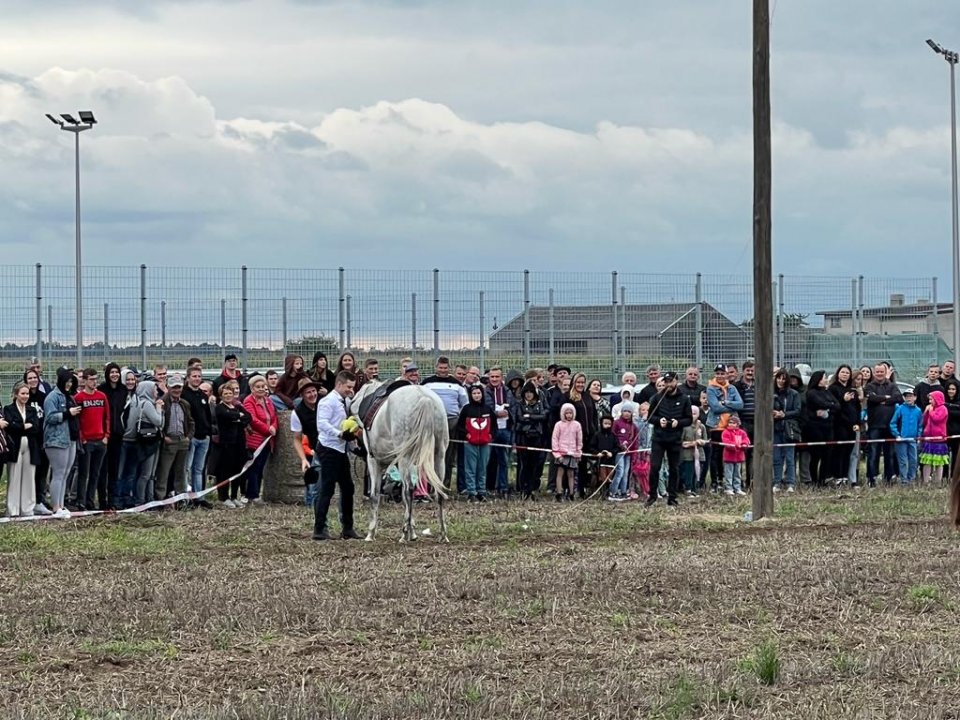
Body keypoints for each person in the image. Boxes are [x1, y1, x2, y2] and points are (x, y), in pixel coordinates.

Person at [312, 370, 362, 540]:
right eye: (348, 387)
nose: (351, 390)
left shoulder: (345, 401)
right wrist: (340, 434)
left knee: (348, 487)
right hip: (329, 449)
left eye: (352, 387)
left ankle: (347, 528)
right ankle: (319, 529)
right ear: (339, 384)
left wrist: (353, 443)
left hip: (340, 450)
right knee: (327, 489)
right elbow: (322, 424)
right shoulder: (328, 401)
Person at [646, 372, 693, 507]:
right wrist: (658, 420)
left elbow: (689, 419)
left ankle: (672, 497)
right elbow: (650, 417)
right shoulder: (657, 398)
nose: (668, 384)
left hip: (675, 439)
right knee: (655, 467)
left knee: (674, 468)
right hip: (659, 438)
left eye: (670, 381)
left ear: (676, 381)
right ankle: (652, 496)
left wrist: (678, 422)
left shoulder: (684, 399)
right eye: (666, 381)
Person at [422, 356, 469, 489]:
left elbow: (464, 405)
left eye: (445, 368)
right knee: (429, 455)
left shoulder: (457, 384)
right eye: (440, 367)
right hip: (430, 424)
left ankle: (444, 484)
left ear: (449, 368)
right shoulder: (427, 383)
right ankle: (430, 485)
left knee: (447, 456)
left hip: (451, 423)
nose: (443, 370)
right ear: (436, 368)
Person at [117, 379, 164, 508]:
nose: (156, 392)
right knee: (145, 474)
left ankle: (145, 498)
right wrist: (159, 409)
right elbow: (158, 421)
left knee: (144, 474)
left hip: (145, 441)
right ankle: (141, 499)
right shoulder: (147, 404)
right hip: (147, 442)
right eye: (154, 389)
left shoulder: (140, 402)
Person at [43, 368, 82, 518]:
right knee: (58, 473)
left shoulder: (69, 396)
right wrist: (68, 414)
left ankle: (61, 505)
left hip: (70, 438)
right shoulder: (52, 397)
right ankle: (55, 507)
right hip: (56, 440)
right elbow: (50, 417)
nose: (69, 384)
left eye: (71, 381)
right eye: (67, 381)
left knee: (65, 473)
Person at [155, 374, 195, 503]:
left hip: (182, 440)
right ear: (168, 387)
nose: (177, 390)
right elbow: (158, 422)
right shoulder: (163, 402)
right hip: (169, 441)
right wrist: (164, 437)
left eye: (179, 387)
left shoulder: (185, 404)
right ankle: (160, 498)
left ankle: (180, 498)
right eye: (174, 387)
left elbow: (190, 421)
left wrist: (188, 437)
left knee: (181, 471)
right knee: (164, 471)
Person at [4, 382, 42, 518]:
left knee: (29, 476)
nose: (25, 396)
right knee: (14, 476)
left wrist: (21, 426)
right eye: (22, 393)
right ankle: (12, 509)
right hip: (15, 446)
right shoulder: (9, 409)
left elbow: (36, 427)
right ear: (16, 394)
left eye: (27, 393)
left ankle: (27, 508)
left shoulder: (31, 410)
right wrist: (24, 426)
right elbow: (9, 426)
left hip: (30, 445)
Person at [75, 368, 111, 511]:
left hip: (100, 440)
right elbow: (77, 421)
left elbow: (107, 417)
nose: (94, 382)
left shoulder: (102, 397)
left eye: (96, 379)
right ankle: (81, 501)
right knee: (84, 473)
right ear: (84, 380)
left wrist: (106, 436)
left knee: (96, 473)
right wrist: (82, 438)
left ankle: (90, 500)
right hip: (87, 441)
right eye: (91, 379)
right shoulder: (79, 398)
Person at [705, 363, 743, 492]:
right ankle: (716, 481)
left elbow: (740, 405)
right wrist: (731, 406)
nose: (720, 376)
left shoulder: (732, 388)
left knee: (731, 454)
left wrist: (725, 402)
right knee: (716, 455)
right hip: (716, 426)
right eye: (718, 373)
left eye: (722, 373)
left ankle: (731, 481)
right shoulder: (710, 389)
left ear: (727, 374)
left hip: (731, 427)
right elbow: (715, 407)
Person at [241, 374, 278, 504]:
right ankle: (253, 495)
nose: (261, 389)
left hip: (267, 440)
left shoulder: (268, 400)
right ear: (252, 388)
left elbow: (274, 417)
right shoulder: (248, 401)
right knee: (254, 467)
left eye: (263, 386)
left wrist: (273, 427)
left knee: (261, 467)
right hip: (255, 440)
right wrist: (267, 429)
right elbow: (253, 419)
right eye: (258, 387)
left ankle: (256, 493)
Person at [865, 363, 903, 486]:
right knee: (873, 453)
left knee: (890, 454)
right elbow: (871, 398)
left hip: (889, 425)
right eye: (877, 372)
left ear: (885, 372)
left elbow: (898, 398)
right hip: (875, 425)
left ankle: (889, 478)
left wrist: (881, 399)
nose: (879, 374)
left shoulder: (892, 385)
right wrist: (887, 398)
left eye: (882, 372)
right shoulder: (869, 386)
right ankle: (872, 479)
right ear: (874, 372)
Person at [214, 383, 251, 508]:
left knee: (237, 470)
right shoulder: (220, 408)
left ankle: (235, 495)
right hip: (226, 444)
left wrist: (238, 418)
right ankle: (224, 496)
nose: (228, 395)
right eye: (225, 393)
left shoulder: (236, 406)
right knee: (225, 471)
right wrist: (238, 417)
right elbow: (226, 415)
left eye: (230, 393)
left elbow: (248, 417)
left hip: (239, 443)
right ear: (221, 395)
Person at [98, 362, 127, 509]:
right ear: (107, 374)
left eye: (116, 372)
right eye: (111, 372)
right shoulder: (101, 390)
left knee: (115, 470)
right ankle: (102, 500)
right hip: (104, 435)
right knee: (103, 470)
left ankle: (113, 500)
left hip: (118, 435)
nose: (114, 375)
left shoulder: (123, 390)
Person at [512, 381, 547, 500]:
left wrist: (530, 416)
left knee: (534, 465)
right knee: (524, 465)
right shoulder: (519, 404)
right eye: (526, 392)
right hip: (523, 437)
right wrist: (533, 418)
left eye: (530, 392)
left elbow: (543, 416)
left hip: (537, 437)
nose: (528, 395)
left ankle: (531, 489)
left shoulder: (539, 403)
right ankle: (523, 489)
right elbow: (520, 418)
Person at [458, 383, 494, 502]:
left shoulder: (487, 409)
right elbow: (460, 426)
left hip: (484, 443)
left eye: (479, 393)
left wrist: (490, 435)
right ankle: (471, 492)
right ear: (470, 395)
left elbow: (494, 426)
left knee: (482, 468)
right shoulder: (466, 409)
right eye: (474, 393)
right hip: (470, 443)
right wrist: (467, 435)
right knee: (470, 468)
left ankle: (481, 491)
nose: (477, 395)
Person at [23, 367, 51, 515]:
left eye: (35, 378)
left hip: (43, 439)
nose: (33, 380)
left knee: (42, 471)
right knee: (30, 472)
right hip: (29, 440)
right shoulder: (24, 397)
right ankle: (29, 500)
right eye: (30, 378)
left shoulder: (44, 396)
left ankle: (40, 500)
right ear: (26, 381)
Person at [182, 366, 213, 495]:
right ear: (188, 377)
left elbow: (207, 415)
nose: (197, 379)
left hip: (204, 437)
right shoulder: (183, 394)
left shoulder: (203, 395)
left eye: (199, 376)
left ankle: (199, 496)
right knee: (187, 468)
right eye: (194, 376)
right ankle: (187, 496)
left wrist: (208, 432)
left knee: (199, 469)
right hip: (191, 437)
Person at [291, 378, 322, 506]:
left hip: (332, 447)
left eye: (314, 391)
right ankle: (311, 507)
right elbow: (297, 439)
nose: (312, 394)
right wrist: (303, 459)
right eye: (308, 392)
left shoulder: (325, 404)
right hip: (314, 450)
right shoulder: (297, 413)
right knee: (312, 483)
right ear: (302, 395)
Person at [829, 365, 861, 487]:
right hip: (839, 425)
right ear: (838, 374)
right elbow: (834, 407)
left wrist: (858, 423)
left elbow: (857, 408)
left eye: (847, 373)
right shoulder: (833, 389)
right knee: (839, 451)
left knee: (848, 451)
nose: (845, 374)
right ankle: (837, 477)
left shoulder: (852, 390)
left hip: (852, 426)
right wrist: (843, 400)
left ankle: (845, 476)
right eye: (842, 372)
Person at [483, 366, 513, 498]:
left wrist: (508, 412)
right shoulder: (485, 391)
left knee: (504, 461)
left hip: (505, 429)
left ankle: (503, 487)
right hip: (490, 430)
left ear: (502, 377)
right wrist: (496, 413)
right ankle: (484, 487)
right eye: (492, 377)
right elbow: (486, 409)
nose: (494, 379)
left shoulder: (507, 391)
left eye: (497, 376)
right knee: (486, 460)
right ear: (488, 378)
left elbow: (513, 407)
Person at [772, 369, 801, 492]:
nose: (781, 381)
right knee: (776, 457)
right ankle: (777, 482)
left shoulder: (794, 394)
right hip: (775, 428)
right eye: (779, 378)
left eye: (784, 378)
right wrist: (773, 413)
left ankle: (791, 482)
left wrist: (784, 414)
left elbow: (798, 410)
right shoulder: (771, 393)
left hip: (789, 429)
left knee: (790, 457)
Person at [889, 388, 922, 485]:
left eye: (911, 396)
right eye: (906, 396)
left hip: (913, 440)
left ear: (915, 397)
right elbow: (893, 423)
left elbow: (920, 425)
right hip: (901, 440)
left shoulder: (918, 411)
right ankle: (904, 480)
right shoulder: (900, 408)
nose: (908, 398)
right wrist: (897, 434)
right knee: (903, 461)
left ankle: (912, 478)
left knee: (914, 460)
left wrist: (919, 436)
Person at [551, 402, 582, 501]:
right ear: (563, 413)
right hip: (561, 453)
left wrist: (578, 453)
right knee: (560, 473)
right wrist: (557, 453)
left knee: (571, 474)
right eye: (567, 413)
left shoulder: (577, 425)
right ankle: (559, 492)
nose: (569, 415)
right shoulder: (558, 425)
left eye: (571, 413)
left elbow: (579, 440)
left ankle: (571, 493)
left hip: (572, 453)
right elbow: (555, 439)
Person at [919, 389, 949, 486]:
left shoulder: (943, 409)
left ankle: (938, 481)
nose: (929, 402)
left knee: (938, 462)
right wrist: (926, 412)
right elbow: (924, 420)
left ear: (937, 399)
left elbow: (937, 419)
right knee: (927, 461)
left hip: (939, 440)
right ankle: (926, 481)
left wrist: (931, 411)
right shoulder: (931, 408)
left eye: (931, 399)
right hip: (929, 438)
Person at [609, 403, 638, 501]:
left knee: (626, 472)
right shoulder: (617, 423)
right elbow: (613, 436)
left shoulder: (633, 426)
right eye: (625, 411)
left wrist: (634, 452)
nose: (626, 413)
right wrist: (620, 445)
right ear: (621, 412)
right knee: (620, 471)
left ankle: (623, 491)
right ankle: (613, 491)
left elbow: (635, 440)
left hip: (628, 453)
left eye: (629, 411)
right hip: (619, 452)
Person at [680, 406, 707, 497]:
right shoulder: (685, 427)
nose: (693, 415)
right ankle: (688, 488)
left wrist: (701, 442)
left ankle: (695, 488)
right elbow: (681, 441)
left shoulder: (702, 426)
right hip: (688, 454)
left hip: (699, 454)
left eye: (695, 413)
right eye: (691, 413)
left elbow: (705, 440)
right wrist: (691, 443)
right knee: (689, 472)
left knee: (697, 472)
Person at [720, 414, 750, 496]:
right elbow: (726, 442)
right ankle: (729, 488)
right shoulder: (725, 432)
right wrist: (736, 445)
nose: (731, 424)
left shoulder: (742, 432)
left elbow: (746, 439)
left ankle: (737, 488)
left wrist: (744, 444)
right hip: (729, 457)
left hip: (739, 457)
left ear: (737, 424)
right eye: (730, 422)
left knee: (738, 474)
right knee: (728, 474)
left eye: (733, 423)